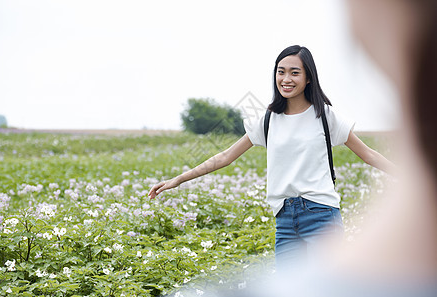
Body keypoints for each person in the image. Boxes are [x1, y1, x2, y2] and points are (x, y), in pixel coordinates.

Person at [148, 45, 396, 267]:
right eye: (281, 71)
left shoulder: (325, 116)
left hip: (321, 216)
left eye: (295, 72)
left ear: (309, 78)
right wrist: (178, 180)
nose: (286, 79)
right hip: (285, 220)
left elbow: (368, 155)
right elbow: (225, 157)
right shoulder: (267, 119)